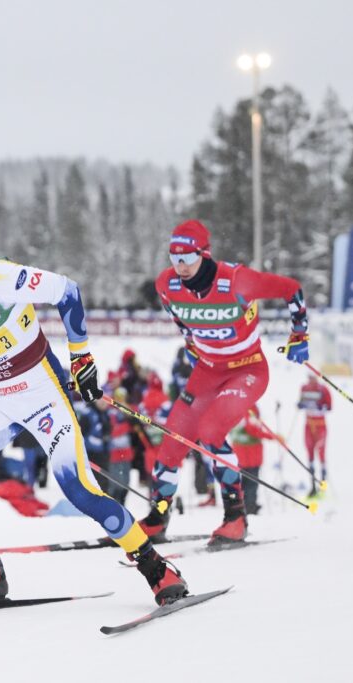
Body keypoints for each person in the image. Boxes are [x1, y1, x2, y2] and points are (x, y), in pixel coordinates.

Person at [0, 204, 187, 605]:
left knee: (78, 488)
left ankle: (156, 568)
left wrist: (82, 357)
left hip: (40, 394)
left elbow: (67, 291)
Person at [138, 219, 310, 545]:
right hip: (207, 371)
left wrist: (299, 335)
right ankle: (158, 518)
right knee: (173, 441)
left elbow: (291, 288)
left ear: (205, 253)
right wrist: (192, 345)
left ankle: (235, 518)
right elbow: (179, 317)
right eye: (174, 258)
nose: (181, 267)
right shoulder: (167, 284)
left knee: (211, 431)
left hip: (247, 370)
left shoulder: (237, 281)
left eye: (188, 258)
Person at [228, 405, 277, 515]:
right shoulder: (249, 408)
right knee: (251, 482)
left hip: (241, 454)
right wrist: (272, 436)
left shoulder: (236, 406)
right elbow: (253, 430)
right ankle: (250, 506)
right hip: (250, 455)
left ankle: (245, 505)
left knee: (245, 482)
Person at [298, 376, 332, 495]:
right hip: (309, 425)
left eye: (313, 378)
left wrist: (321, 407)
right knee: (310, 453)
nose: (311, 380)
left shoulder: (323, 389)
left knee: (321, 452)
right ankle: (312, 487)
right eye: (309, 378)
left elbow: (329, 407)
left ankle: (323, 486)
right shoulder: (304, 388)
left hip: (320, 425)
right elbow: (302, 402)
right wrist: (300, 405)